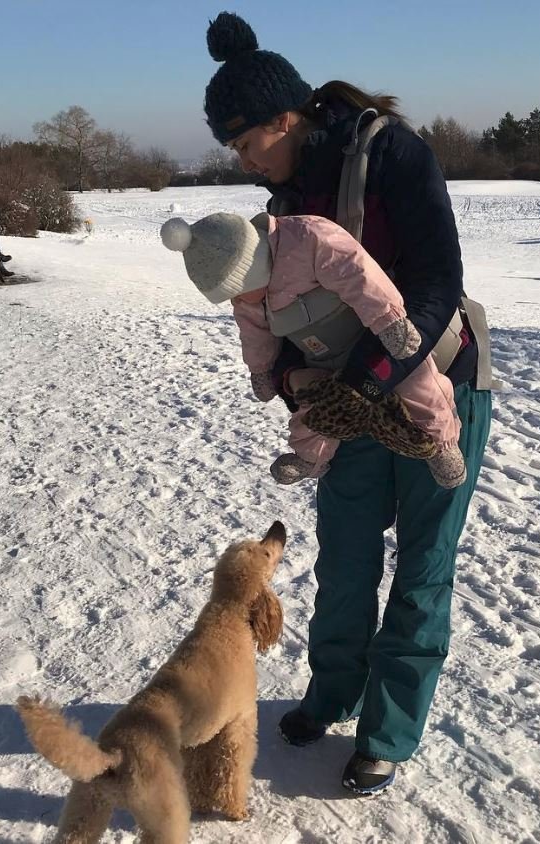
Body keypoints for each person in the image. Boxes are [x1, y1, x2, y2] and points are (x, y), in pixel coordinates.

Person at [202, 12, 492, 793]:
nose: (242, 159)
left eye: (244, 142)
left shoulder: (392, 151)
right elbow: (277, 299)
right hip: (342, 401)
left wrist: (371, 376)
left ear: (284, 118)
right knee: (346, 556)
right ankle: (331, 694)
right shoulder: (286, 190)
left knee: (421, 569)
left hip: (440, 382)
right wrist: (295, 377)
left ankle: (387, 733)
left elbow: (434, 281)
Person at [161, 212, 467, 488]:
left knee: (418, 383)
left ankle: (443, 445)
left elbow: (357, 273)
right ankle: (309, 459)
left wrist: (387, 320)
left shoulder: (306, 240)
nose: (239, 300)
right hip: (323, 358)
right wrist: (261, 370)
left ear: (250, 267)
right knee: (314, 405)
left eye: (239, 290)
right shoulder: (248, 299)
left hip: (373, 342)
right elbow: (254, 335)